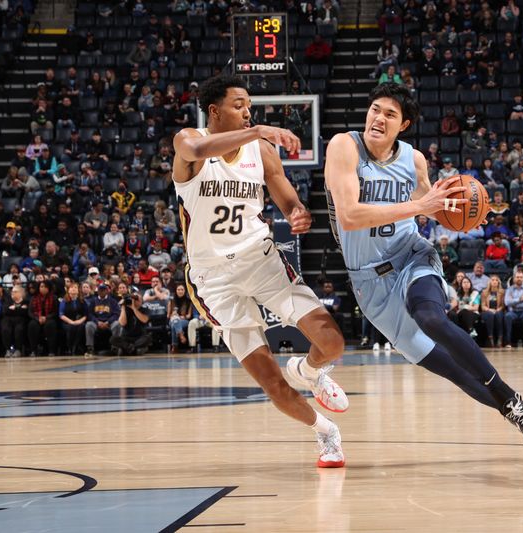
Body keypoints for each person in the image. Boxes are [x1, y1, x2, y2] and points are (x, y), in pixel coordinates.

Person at [324, 82, 523, 461]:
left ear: (403, 125)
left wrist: (466, 206)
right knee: (454, 371)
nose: (378, 118)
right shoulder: (344, 146)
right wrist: (420, 206)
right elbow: (351, 216)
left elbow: (434, 206)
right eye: (375, 109)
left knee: (430, 317)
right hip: (369, 282)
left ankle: (515, 408)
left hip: (412, 256)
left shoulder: (414, 159)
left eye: (389, 114)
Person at [172, 75, 349, 468]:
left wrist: (297, 213)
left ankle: (309, 369)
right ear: (214, 110)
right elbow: (198, 147)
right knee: (271, 383)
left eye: (249, 105)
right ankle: (326, 433)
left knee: (333, 343)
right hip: (213, 280)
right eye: (239, 104)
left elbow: (285, 195)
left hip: (262, 260)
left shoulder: (261, 149)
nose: (248, 110)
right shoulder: (188, 140)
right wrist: (258, 129)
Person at [110, 287, 152, 355]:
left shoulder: (145, 309)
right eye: (133, 299)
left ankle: (127, 348)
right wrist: (123, 307)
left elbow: (144, 320)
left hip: (139, 337)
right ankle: (133, 348)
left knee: (148, 338)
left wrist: (134, 308)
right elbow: (122, 323)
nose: (134, 301)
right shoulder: (126, 309)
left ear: (141, 301)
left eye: (136, 299)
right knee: (113, 339)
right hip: (127, 337)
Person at [85, 282, 121, 356]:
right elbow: (90, 314)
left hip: (109, 323)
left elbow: (116, 314)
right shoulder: (93, 301)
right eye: (100, 290)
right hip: (97, 323)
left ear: (107, 291)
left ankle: (115, 347)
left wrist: (108, 322)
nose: (102, 291)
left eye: (103, 290)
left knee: (117, 324)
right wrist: (97, 322)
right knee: (89, 325)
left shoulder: (112, 301)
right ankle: (90, 347)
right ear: (97, 291)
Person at [28, 280, 58, 357]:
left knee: (50, 325)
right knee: (32, 325)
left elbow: (55, 312)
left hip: (49, 318)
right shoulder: (33, 298)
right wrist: (38, 318)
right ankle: (33, 350)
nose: (43, 288)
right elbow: (30, 312)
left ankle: (51, 350)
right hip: (37, 318)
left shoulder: (54, 298)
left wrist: (46, 318)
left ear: (49, 288)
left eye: (45, 287)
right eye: (41, 286)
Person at [59, 283, 88, 355]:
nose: (73, 289)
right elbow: (61, 315)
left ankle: (76, 346)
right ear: (68, 290)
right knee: (71, 328)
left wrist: (79, 321)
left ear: (78, 290)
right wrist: (71, 322)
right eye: (71, 287)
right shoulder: (64, 301)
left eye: (75, 287)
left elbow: (86, 314)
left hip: (79, 321)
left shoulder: (82, 301)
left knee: (81, 327)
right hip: (67, 321)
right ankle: (69, 347)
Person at [480, 275, 505, 348]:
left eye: (496, 280)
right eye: (493, 280)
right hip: (487, 310)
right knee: (490, 315)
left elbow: (503, 305)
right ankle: (490, 338)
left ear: (498, 282)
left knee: (499, 315)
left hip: (498, 310)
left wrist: (498, 309)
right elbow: (483, 306)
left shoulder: (502, 292)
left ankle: (500, 338)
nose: (494, 282)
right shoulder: (484, 292)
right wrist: (489, 310)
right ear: (489, 282)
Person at [168, 283, 194, 353]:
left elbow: (189, 315)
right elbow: (168, 316)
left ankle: (174, 346)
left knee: (175, 324)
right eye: (178, 289)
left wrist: (182, 317)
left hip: (184, 321)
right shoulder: (171, 301)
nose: (180, 291)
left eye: (182, 289)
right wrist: (172, 315)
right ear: (176, 291)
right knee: (175, 320)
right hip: (172, 319)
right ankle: (181, 335)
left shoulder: (189, 301)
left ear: (185, 291)